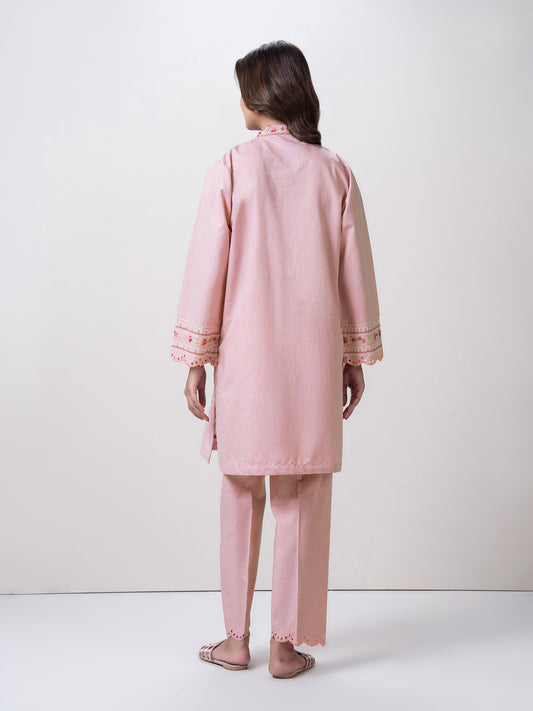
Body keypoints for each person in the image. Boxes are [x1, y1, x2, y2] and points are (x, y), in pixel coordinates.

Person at [170, 40, 383, 679]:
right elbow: (354, 274)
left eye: (242, 88)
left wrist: (196, 359)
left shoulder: (232, 168)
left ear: (260, 94)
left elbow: (207, 270)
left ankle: (236, 641)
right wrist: (353, 356)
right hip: (313, 363)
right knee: (300, 496)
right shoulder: (334, 171)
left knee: (241, 492)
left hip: (248, 363)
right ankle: (286, 649)